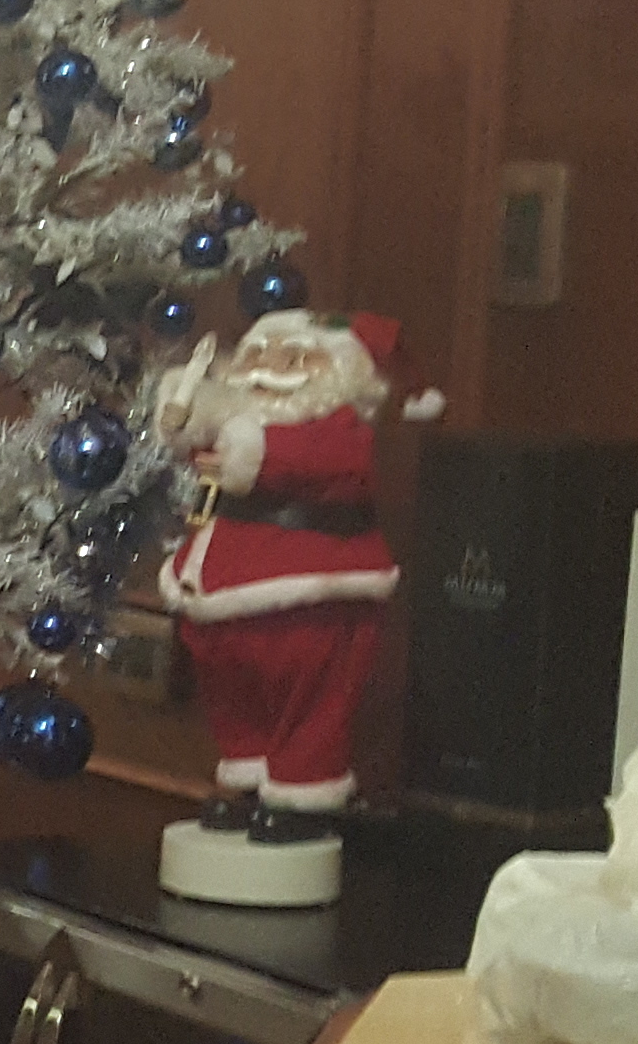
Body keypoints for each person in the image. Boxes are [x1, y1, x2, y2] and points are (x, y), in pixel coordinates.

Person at [152, 308, 438, 839]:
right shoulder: (236, 419)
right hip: (226, 575)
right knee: (233, 684)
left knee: (311, 691)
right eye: (258, 355)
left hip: (310, 582)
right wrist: (187, 422)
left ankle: (302, 794)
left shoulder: (342, 432)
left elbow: (305, 460)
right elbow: (209, 452)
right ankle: (247, 774)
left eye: (294, 358)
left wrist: (246, 451)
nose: (269, 368)